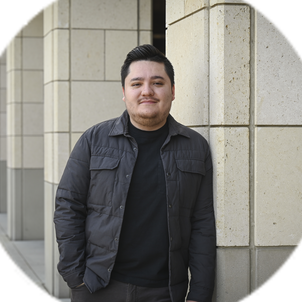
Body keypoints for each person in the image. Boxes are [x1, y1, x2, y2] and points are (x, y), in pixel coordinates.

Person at [54, 44, 216, 302]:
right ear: (124, 92)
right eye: (137, 83)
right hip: (99, 287)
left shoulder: (195, 147)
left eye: (158, 83)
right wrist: (76, 278)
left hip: (165, 292)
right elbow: (68, 205)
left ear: (172, 91)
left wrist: (199, 291)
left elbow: (203, 223)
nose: (147, 91)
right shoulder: (94, 140)